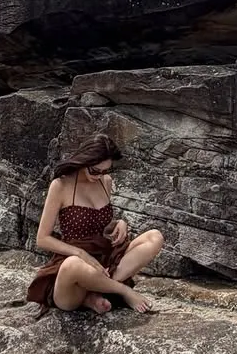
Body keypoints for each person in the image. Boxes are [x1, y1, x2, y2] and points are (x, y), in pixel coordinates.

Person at [26, 133, 164, 316]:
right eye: (95, 171)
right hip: (73, 266)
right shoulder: (61, 185)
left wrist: (119, 223)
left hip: (104, 259)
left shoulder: (105, 182)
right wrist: (81, 254)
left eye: (105, 171)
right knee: (73, 264)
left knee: (155, 237)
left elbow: (97, 223)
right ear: (84, 161)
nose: (99, 176)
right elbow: (42, 239)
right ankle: (122, 291)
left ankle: (96, 291)